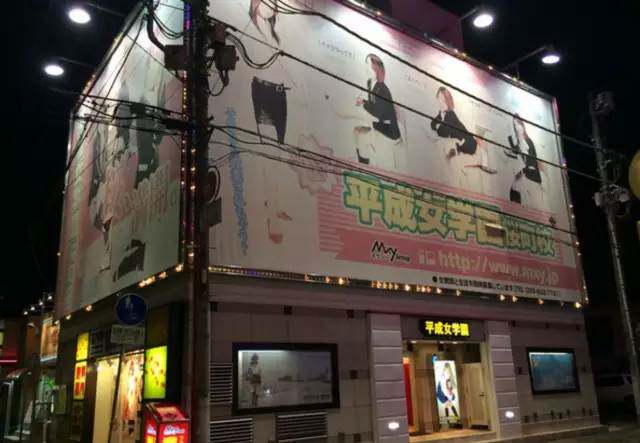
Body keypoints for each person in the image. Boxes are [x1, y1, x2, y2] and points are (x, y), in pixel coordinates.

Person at [354, 54, 402, 167]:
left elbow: (378, 113)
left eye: (369, 66)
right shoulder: (370, 83)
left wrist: (363, 103)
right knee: (357, 130)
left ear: (377, 69)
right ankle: (363, 162)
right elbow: (373, 105)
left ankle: (364, 165)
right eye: (366, 65)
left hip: (389, 128)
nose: (366, 68)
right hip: (378, 122)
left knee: (361, 134)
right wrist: (363, 102)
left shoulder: (383, 89)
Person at [506, 114, 545, 208]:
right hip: (524, 174)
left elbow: (532, 161)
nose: (517, 127)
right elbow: (514, 150)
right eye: (515, 125)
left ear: (522, 126)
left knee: (520, 192)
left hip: (531, 176)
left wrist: (523, 170)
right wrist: (510, 137)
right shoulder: (519, 142)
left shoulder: (528, 142)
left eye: (518, 124)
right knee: (514, 188)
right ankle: (516, 208)